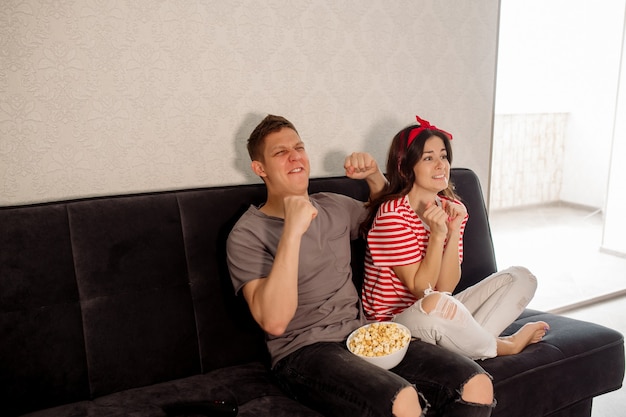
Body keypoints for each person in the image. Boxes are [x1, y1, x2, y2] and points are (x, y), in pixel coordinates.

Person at [226, 114, 495, 417]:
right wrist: (292, 230)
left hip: (364, 334)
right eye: (280, 152)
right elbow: (274, 322)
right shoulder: (247, 233)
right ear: (259, 168)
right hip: (302, 353)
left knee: (476, 383)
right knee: (403, 399)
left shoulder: (333, 205)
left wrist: (374, 177)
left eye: (298, 148)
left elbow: (385, 218)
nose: (294, 157)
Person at [361, 115, 550, 361]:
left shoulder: (450, 207)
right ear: (405, 167)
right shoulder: (393, 215)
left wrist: (453, 229)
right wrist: (438, 235)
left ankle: (467, 346)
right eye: (428, 158)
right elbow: (424, 291)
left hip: (437, 309)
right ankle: (503, 346)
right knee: (436, 302)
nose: (441, 165)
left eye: (443, 156)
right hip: (395, 323)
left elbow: (447, 288)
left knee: (522, 277)